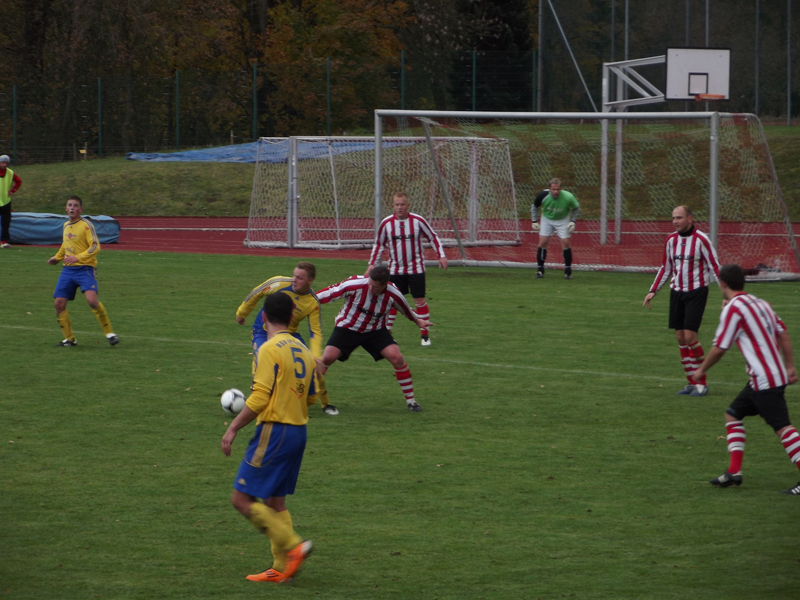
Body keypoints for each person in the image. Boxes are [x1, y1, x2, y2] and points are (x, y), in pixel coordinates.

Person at [222, 293, 316, 583]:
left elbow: (260, 396)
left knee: (241, 498)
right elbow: (311, 396)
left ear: (263, 316)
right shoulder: (302, 350)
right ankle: (280, 568)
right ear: (291, 318)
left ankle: (294, 546)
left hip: (275, 431)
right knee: (276, 502)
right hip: (298, 432)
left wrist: (234, 427)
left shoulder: (269, 348)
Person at [690, 264, 800, 495]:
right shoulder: (761, 303)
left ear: (723, 284)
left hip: (764, 380)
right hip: (768, 376)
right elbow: (784, 333)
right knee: (732, 414)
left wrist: (701, 370)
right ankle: (734, 473)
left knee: (783, 427)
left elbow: (720, 347)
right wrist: (789, 366)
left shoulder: (733, 309)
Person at [315, 266, 432, 412]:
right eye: (370, 283)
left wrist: (418, 321)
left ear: (384, 285)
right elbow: (330, 293)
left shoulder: (393, 294)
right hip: (348, 328)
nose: (370, 288)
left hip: (375, 331)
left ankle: (411, 401)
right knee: (326, 358)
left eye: (375, 286)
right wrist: (308, 301)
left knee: (397, 358)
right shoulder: (355, 284)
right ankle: (306, 393)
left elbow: (405, 309)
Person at [235, 262, 338, 416]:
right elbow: (257, 292)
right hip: (263, 331)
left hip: (290, 334)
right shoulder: (279, 283)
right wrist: (242, 313)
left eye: (299, 278)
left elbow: (315, 331)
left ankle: (326, 403)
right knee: (262, 357)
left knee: (312, 364)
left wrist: (315, 356)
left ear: (310, 281)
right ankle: (257, 396)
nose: (294, 280)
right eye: (294, 275)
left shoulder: (312, 302)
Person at [642, 205, 720, 396]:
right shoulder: (670, 240)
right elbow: (666, 268)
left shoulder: (702, 240)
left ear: (690, 218)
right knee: (680, 338)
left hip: (696, 292)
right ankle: (691, 383)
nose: (675, 221)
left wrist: (728, 296)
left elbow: (715, 267)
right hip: (676, 292)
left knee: (690, 337)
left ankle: (702, 382)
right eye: (673, 218)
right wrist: (653, 290)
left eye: (679, 218)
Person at [365, 191, 447, 346]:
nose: (400, 207)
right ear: (393, 206)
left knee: (420, 300)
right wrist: (372, 264)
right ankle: (387, 334)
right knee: (392, 301)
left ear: (408, 205)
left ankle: (425, 336)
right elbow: (379, 244)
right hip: (395, 270)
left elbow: (433, 236)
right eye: (397, 204)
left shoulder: (417, 221)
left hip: (416, 269)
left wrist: (441, 255)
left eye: (402, 204)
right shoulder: (386, 223)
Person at [47, 195, 119, 347]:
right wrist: (57, 257)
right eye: (69, 205)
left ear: (80, 209)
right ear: (66, 208)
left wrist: (77, 258)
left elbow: (95, 246)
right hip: (68, 270)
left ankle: (110, 333)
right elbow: (65, 245)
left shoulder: (87, 225)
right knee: (58, 303)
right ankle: (70, 339)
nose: (72, 208)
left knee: (92, 301)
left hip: (85, 268)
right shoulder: (66, 225)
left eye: (75, 205)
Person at [531, 178, 580, 279]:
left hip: (562, 219)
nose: (556, 192)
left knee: (565, 242)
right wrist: (534, 221)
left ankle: (567, 270)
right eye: (553, 189)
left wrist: (573, 221)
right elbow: (534, 206)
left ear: (561, 189)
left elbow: (576, 208)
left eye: (558, 189)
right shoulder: (542, 196)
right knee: (543, 242)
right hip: (547, 218)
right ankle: (540, 270)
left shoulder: (568, 197)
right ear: (549, 189)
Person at [0, 154, 22, 248]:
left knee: (6, 222)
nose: (4, 164)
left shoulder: (10, 173)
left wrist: (12, 190)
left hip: (5, 201)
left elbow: (18, 181)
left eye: (6, 163)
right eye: (3, 162)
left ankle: (4, 241)